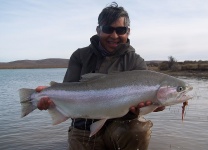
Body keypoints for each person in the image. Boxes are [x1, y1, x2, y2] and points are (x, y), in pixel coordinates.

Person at [37, 2, 165, 150]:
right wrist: (48, 100)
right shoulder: (80, 56)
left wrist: (157, 106)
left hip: (121, 126)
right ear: (98, 30)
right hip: (82, 126)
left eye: (120, 30)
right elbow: (67, 90)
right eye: (108, 29)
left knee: (138, 130)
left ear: (128, 32)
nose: (114, 35)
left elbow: (150, 105)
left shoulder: (135, 61)